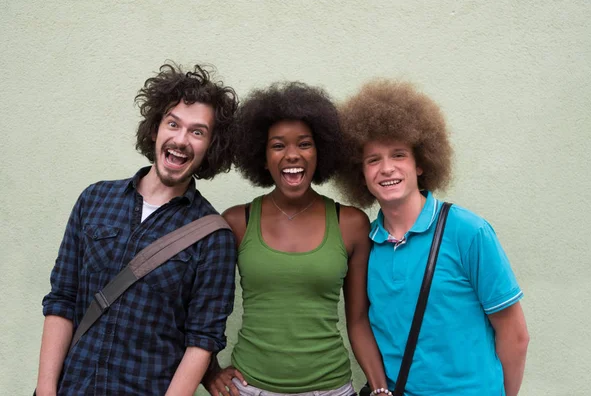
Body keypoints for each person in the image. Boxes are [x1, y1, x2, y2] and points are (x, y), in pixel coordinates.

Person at [36, 63, 238, 396]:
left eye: (197, 132)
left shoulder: (214, 237)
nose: (181, 139)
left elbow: (202, 340)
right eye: (173, 124)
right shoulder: (94, 199)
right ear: (156, 128)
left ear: (210, 147)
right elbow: (62, 301)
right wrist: (45, 390)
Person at [336, 80, 530, 396]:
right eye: (374, 160)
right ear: (361, 173)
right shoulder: (367, 244)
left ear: (421, 163)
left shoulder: (468, 232)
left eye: (398, 155)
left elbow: (515, 335)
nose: (386, 168)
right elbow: (360, 324)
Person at [204, 82, 388, 396]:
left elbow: (357, 321)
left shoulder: (351, 224)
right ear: (262, 158)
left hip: (330, 389)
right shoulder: (237, 221)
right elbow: (204, 309)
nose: (292, 155)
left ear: (320, 153)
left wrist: (381, 388)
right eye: (278, 145)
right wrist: (210, 372)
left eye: (304, 144)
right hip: (249, 389)